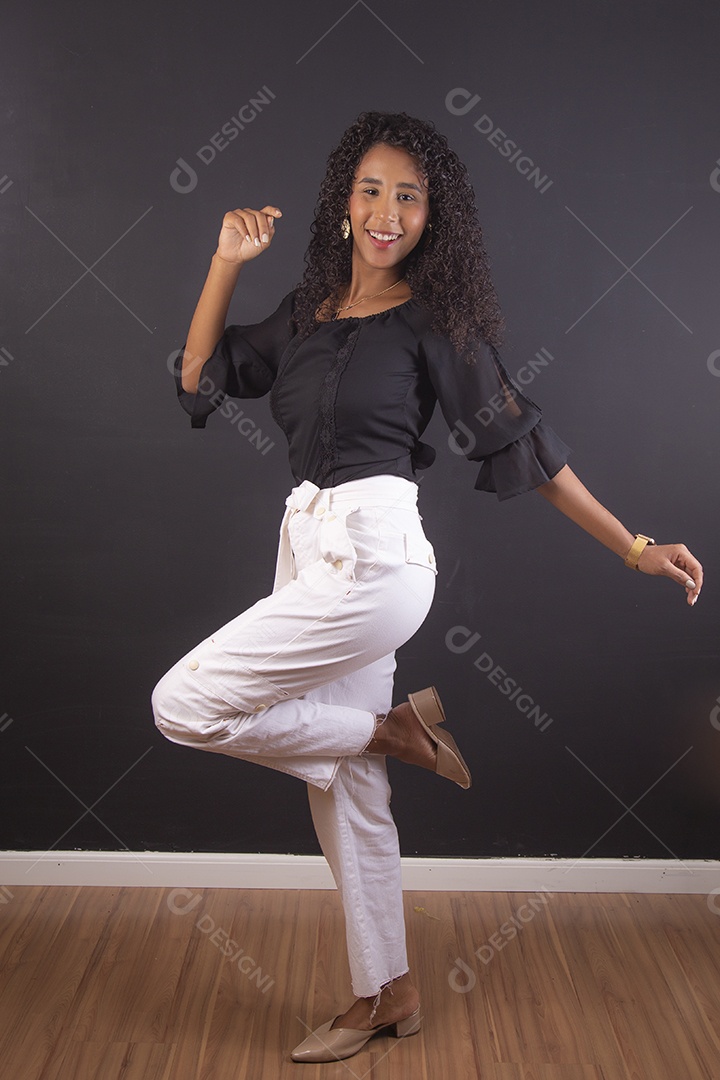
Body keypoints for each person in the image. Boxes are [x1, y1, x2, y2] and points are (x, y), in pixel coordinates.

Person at [151, 111, 703, 1063]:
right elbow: (197, 379)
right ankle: (388, 994)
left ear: (429, 218)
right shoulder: (307, 309)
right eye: (372, 189)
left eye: (409, 197)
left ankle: (389, 731)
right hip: (307, 551)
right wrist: (224, 261)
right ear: (344, 202)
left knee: (183, 705)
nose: (387, 211)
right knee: (350, 794)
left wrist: (634, 546)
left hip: (376, 560)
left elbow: (524, 440)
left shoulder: (435, 322)